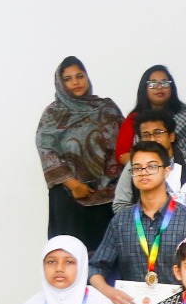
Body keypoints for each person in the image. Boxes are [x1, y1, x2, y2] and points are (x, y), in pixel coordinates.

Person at [89, 141, 186, 304]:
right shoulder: (121, 221)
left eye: (152, 166)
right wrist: (109, 292)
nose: (144, 172)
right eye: (137, 168)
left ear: (167, 171)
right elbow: (95, 267)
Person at [37, 56, 122, 251]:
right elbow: (46, 151)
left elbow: (124, 145)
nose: (75, 82)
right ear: (60, 83)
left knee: (106, 256)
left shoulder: (107, 108)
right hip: (70, 198)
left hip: (108, 198)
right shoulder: (53, 114)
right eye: (68, 79)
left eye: (79, 76)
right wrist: (74, 184)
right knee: (71, 255)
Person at [110, 108, 186, 212]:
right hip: (138, 221)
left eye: (158, 133)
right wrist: (148, 217)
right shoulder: (134, 166)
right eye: (146, 135)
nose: (152, 139)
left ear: (171, 136)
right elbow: (120, 205)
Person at [115, 65, 186, 172]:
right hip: (145, 173)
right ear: (144, 88)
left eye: (164, 83)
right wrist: (145, 163)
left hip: (185, 172)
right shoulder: (134, 119)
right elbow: (121, 155)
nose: (159, 87)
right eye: (153, 84)